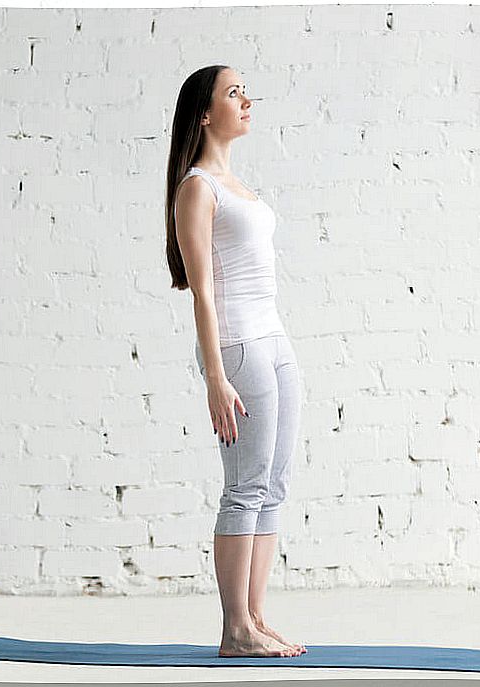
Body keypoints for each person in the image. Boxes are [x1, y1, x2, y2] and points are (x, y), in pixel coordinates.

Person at [165, 65, 306, 659]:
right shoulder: (199, 187)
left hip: (273, 340)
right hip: (238, 348)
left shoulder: (238, 184)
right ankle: (233, 629)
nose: (247, 99)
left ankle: (254, 616)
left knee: (272, 485)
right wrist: (216, 377)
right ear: (204, 112)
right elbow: (201, 290)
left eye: (248, 89)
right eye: (233, 92)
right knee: (244, 486)